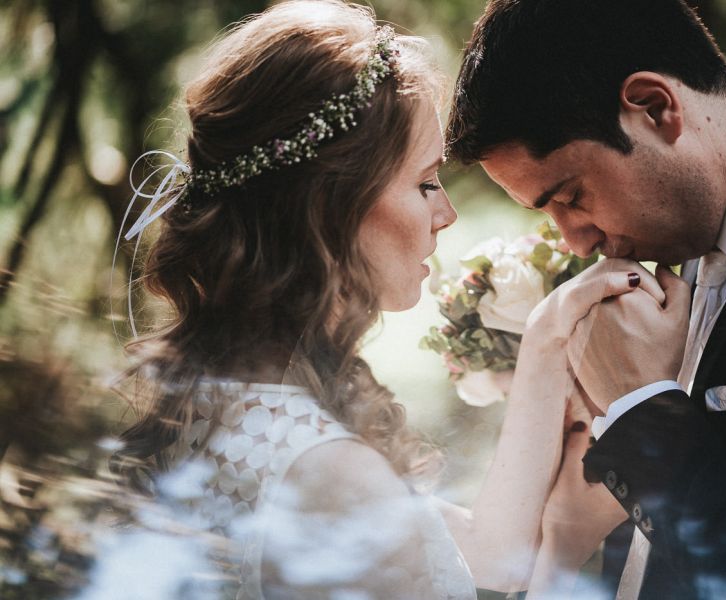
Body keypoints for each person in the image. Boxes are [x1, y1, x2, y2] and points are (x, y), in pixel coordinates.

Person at [109, 1, 661, 598]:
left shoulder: (223, 404)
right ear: (328, 206)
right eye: (425, 183)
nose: (446, 213)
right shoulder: (332, 476)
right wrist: (569, 541)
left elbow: (485, 556)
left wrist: (549, 338)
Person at [447, 0, 726, 597]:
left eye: (571, 196)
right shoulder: (670, 244)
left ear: (655, 108)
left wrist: (641, 413)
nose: (575, 243)